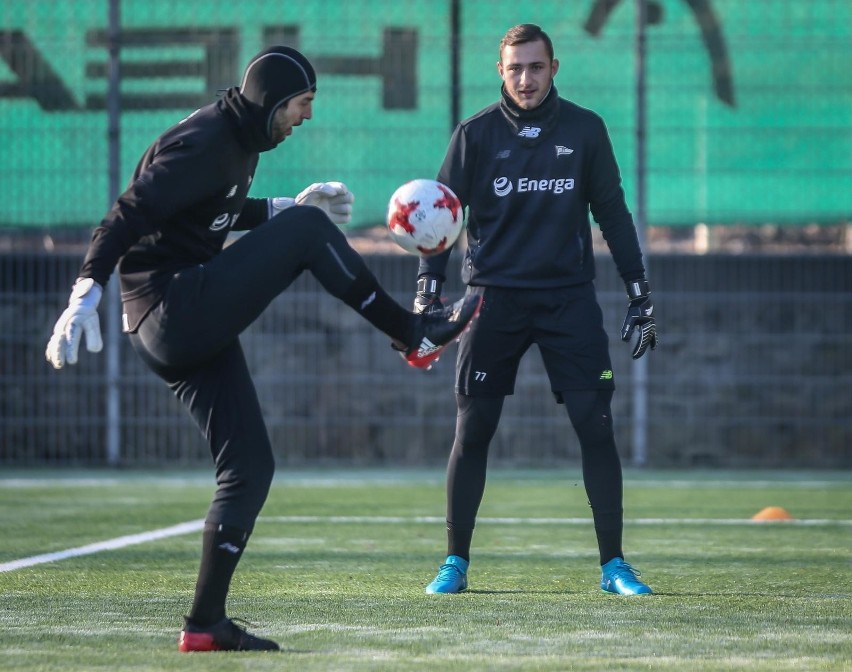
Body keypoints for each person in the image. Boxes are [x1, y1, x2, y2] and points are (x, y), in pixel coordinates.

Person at [44, 45, 482, 652]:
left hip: (181, 317)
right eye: (301, 104)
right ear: (274, 100)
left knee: (249, 468)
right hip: (172, 308)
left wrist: (283, 206)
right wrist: (87, 285)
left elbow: (210, 208)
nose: (304, 117)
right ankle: (412, 332)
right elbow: (131, 209)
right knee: (306, 235)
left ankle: (204, 624)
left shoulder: (240, 139)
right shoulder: (203, 139)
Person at [415, 24, 657, 597]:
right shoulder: (473, 135)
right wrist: (427, 288)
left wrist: (639, 290)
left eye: (536, 67)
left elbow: (614, 215)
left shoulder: (586, 130)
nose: (526, 78)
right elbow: (438, 216)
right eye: (515, 68)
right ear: (500, 71)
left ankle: (614, 565)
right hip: (490, 300)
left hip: (568, 298)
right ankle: (455, 563)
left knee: (595, 426)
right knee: (473, 431)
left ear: (554, 68)